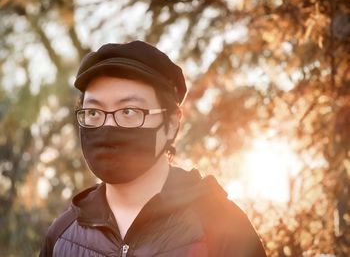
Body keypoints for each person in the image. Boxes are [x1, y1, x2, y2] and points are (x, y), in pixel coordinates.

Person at [39, 41, 267, 257]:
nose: (107, 126)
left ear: (171, 124)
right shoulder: (62, 236)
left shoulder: (223, 227)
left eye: (129, 112)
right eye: (94, 113)